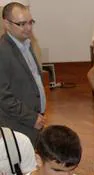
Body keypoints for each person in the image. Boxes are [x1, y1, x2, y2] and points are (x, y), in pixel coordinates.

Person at [0, 2, 46, 144]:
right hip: (17, 124)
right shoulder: (3, 51)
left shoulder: (26, 44)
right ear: (6, 24)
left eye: (30, 22)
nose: (28, 28)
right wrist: (31, 118)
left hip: (33, 121)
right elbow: (3, 95)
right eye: (21, 24)